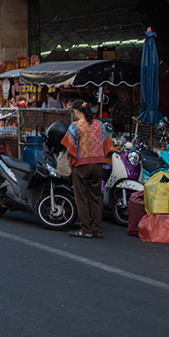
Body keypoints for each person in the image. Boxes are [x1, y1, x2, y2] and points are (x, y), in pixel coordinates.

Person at [60, 100, 114, 239]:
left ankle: (86, 229)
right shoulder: (99, 125)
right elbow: (106, 143)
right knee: (95, 198)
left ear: (77, 111)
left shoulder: (75, 126)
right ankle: (98, 229)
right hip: (97, 165)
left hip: (81, 165)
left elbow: (69, 145)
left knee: (81, 198)